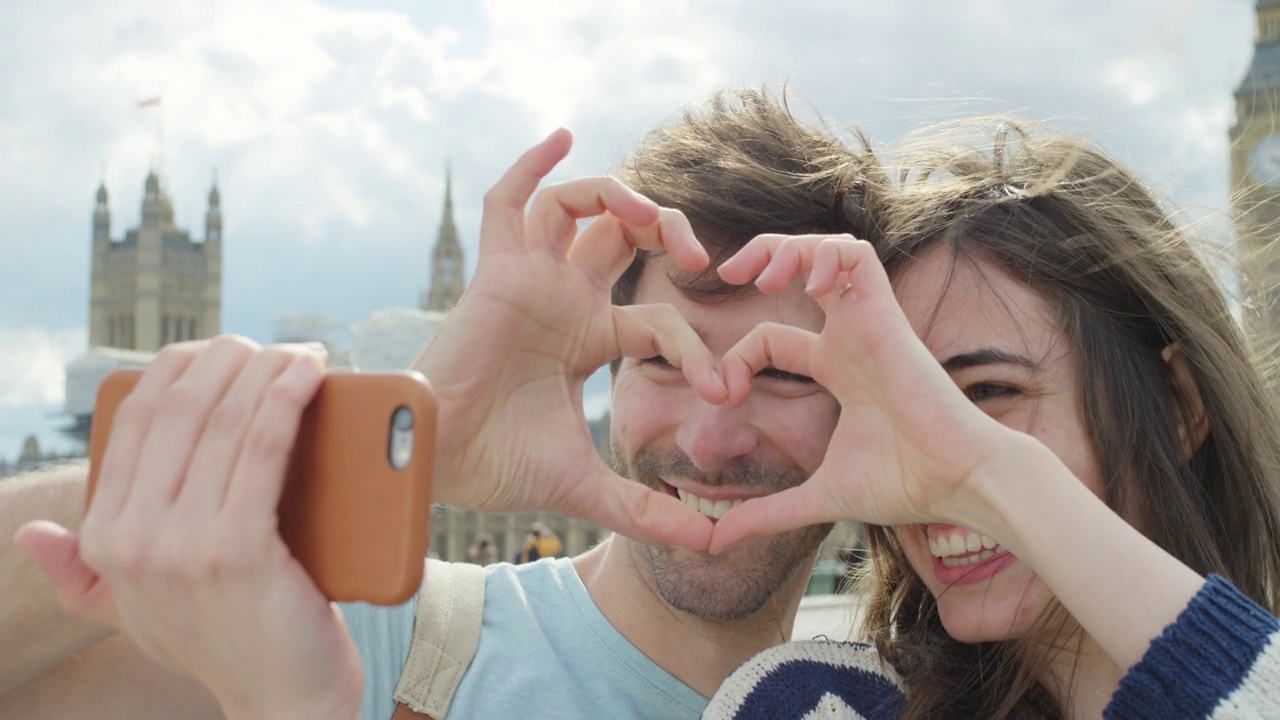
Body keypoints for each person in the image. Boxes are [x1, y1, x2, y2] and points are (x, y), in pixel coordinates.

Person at [2, 88, 878, 719]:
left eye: (785, 373)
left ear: (867, 400)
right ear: (605, 366)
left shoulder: (935, 694)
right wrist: (358, 458)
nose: (713, 434)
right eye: (664, 356)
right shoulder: (370, 641)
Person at [700, 120, 1280, 718]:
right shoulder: (816, 703)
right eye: (899, 410)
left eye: (990, 390)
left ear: (1178, 408)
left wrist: (997, 477)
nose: (933, 455)